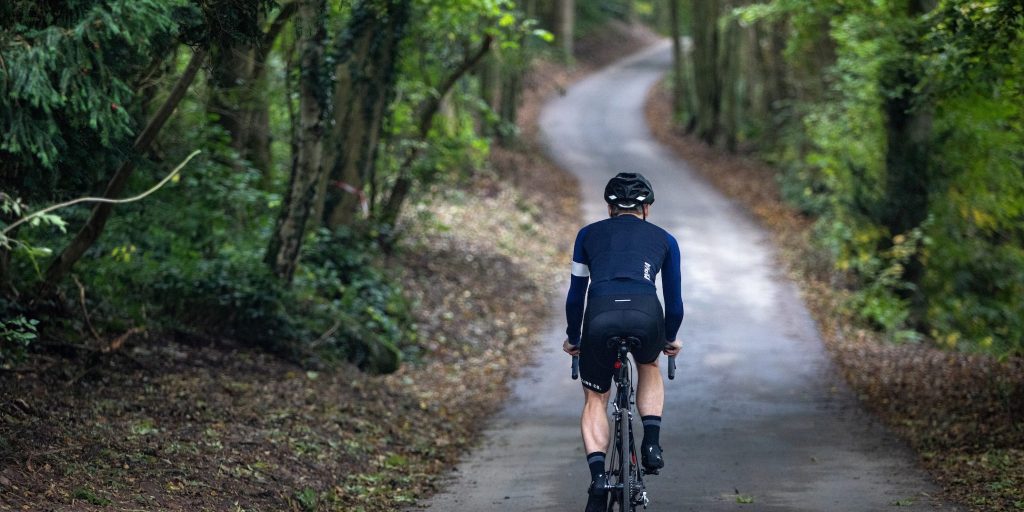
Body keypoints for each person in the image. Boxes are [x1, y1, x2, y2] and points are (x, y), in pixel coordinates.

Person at [562, 172, 684, 512]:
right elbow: (674, 303)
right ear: (647, 208)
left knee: (596, 398)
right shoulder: (666, 240)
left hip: (599, 315)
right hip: (646, 315)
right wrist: (670, 339)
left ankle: (599, 477)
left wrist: (575, 338)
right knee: (649, 364)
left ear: (609, 207)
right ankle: (652, 445)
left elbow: (575, 298)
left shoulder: (586, 235)